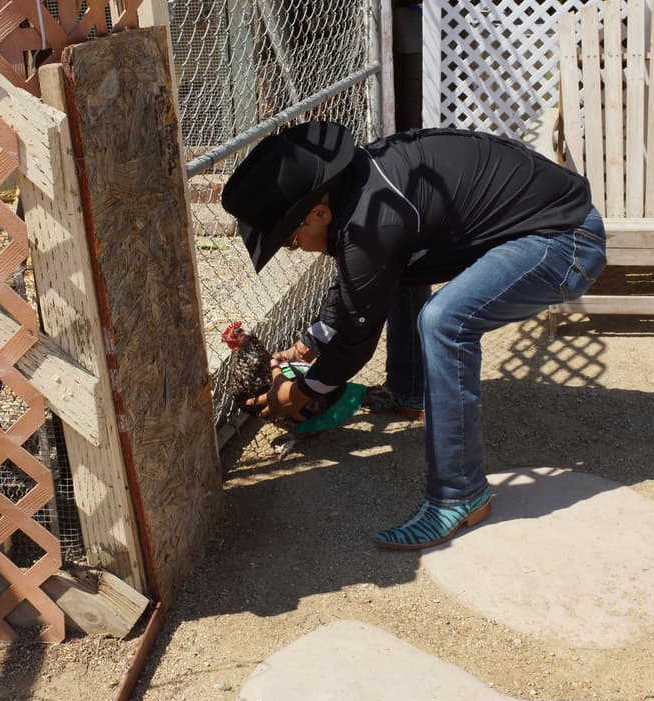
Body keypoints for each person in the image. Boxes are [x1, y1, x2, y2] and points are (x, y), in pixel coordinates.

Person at [220, 121, 606, 550]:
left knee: (444, 322)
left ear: (319, 213)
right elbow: (359, 286)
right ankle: (411, 392)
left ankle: (459, 495)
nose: (297, 250)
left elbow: (355, 341)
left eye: (292, 241)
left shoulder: (376, 219)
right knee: (401, 274)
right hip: (538, 226)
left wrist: (299, 392)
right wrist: (305, 346)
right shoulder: (362, 188)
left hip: (566, 240)